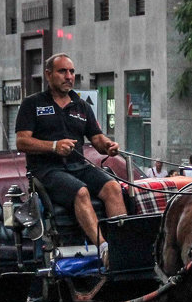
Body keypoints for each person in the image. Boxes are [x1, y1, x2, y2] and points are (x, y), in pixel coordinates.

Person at [15, 53, 124, 261]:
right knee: (80, 191)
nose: (69, 76)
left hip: (78, 166)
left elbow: (97, 138)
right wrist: (54, 146)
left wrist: (108, 145)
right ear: (48, 75)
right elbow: (22, 142)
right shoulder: (32, 104)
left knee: (113, 187)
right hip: (46, 171)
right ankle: (104, 250)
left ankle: (123, 245)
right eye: (62, 71)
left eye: (72, 71)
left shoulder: (81, 105)